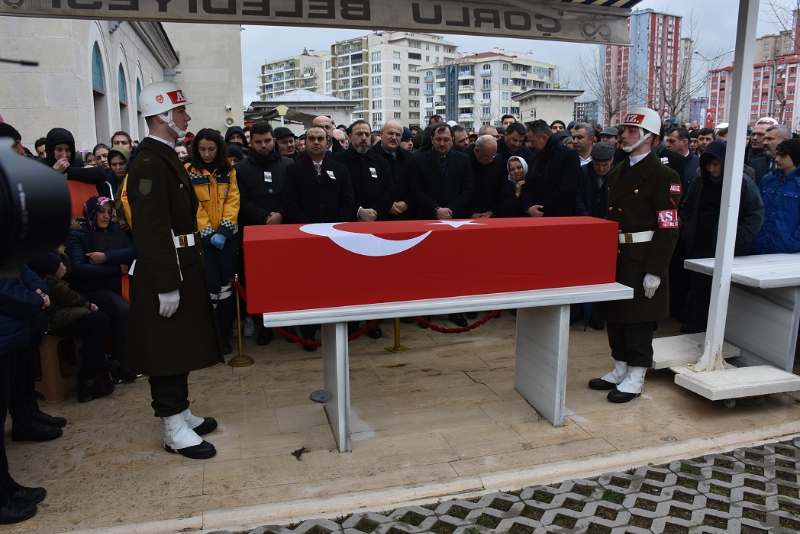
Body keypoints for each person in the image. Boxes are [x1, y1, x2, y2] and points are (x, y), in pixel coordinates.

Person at [125, 81, 222, 460]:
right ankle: (171, 427)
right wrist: (166, 282)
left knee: (178, 343)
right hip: (166, 269)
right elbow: (150, 228)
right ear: (164, 115)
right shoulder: (149, 161)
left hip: (180, 262)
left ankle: (180, 411)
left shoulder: (162, 156)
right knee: (166, 347)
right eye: (181, 111)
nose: (186, 117)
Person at [591, 107, 681, 403]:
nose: (623, 135)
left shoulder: (664, 175)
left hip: (643, 257)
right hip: (618, 253)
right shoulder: (619, 171)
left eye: (631, 131)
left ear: (650, 139)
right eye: (624, 130)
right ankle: (620, 367)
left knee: (639, 321)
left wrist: (655, 269)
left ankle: (637, 374)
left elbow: (668, 227)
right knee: (615, 316)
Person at [679, 140, 764, 334]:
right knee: (699, 289)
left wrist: (739, 238)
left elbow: (755, 214)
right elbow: (686, 206)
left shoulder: (742, 184)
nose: (711, 169)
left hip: (726, 248)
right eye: (707, 165)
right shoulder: (700, 182)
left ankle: (718, 329)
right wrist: (688, 229)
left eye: (715, 164)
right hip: (699, 244)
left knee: (721, 290)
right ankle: (697, 324)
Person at [283, 125, 354, 349]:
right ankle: (308, 332)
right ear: (305, 142)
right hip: (306, 237)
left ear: (328, 142)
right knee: (309, 286)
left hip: (335, 237)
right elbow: (290, 202)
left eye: (320, 138)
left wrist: (333, 227)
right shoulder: (294, 170)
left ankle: (338, 330)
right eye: (311, 138)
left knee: (336, 284)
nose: (316, 142)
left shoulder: (340, 169)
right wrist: (310, 228)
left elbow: (348, 201)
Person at [235, 121, 294, 346]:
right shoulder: (240, 169)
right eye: (258, 142)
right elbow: (241, 201)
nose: (263, 145)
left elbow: (292, 196)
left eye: (267, 141)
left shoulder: (289, 165)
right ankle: (264, 327)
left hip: (284, 232)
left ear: (273, 140)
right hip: (256, 234)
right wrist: (264, 217)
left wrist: (280, 214)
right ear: (251, 142)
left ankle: (287, 323)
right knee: (260, 283)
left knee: (285, 280)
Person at [0, 266, 51, 524]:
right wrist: (36, 300)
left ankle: (6, 487)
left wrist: (37, 292)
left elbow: (17, 268)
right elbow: (4, 288)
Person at [27, 253, 115, 402]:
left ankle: (111, 365)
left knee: (107, 302)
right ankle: (89, 380)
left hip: (55, 303)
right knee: (98, 321)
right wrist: (86, 305)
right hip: (45, 313)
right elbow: (57, 287)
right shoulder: (40, 251)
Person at [410, 123, 473, 327]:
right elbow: (416, 190)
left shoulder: (463, 160)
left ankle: (453, 310)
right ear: (432, 140)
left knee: (453, 269)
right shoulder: (418, 160)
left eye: (446, 139)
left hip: (455, 222)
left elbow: (468, 189)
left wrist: (450, 211)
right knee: (427, 268)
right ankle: (426, 310)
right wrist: (436, 209)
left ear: (452, 141)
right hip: (428, 221)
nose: (442, 143)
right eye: (438, 139)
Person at [334, 120, 393, 339]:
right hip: (349, 228)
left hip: (376, 227)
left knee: (374, 276)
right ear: (349, 136)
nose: (364, 138)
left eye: (367, 134)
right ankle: (351, 320)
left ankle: (372, 321)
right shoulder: (338, 162)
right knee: (350, 277)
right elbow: (339, 195)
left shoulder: (381, 162)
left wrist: (374, 211)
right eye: (359, 134)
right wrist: (358, 211)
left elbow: (389, 190)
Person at [185, 129, 241, 356]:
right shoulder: (188, 171)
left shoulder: (229, 170)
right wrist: (208, 234)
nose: (207, 154)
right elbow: (193, 205)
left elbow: (233, 200)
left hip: (226, 238)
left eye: (211, 149)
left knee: (227, 288)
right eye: (202, 149)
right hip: (203, 240)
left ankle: (223, 335)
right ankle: (208, 336)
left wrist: (225, 231)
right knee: (210, 287)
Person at [521, 120, 581, 218]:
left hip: (558, 216)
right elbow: (528, 185)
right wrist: (528, 207)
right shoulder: (535, 157)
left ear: (544, 138)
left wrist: (539, 207)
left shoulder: (568, 155)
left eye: (533, 141)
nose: (531, 145)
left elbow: (565, 189)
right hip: (534, 215)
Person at [752, 139, 800, 254]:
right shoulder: (768, 180)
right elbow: (755, 210)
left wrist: (792, 243)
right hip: (759, 245)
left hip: (787, 250)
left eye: (783, 156)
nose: (777, 159)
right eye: (777, 154)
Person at [372, 121, 413, 220]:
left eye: (398, 135)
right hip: (378, 218)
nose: (394, 137)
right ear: (381, 134)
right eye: (390, 133)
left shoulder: (410, 158)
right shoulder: (369, 157)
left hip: (405, 217)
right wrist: (385, 205)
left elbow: (415, 186)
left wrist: (407, 203)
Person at [468, 134, 506, 219]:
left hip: (492, 215)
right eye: (487, 157)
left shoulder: (498, 160)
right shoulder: (464, 160)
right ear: (476, 150)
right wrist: (469, 213)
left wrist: (493, 211)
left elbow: (501, 188)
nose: (491, 160)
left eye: (493, 155)